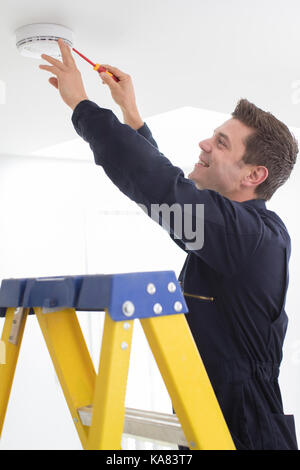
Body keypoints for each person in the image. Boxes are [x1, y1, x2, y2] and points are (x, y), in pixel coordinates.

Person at [39, 38, 298, 450]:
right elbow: (174, 203)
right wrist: (134, 118)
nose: (204, 144)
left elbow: (164, 190)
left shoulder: (250, 238)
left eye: (222, 143)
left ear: (254, 175)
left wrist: (83, 106)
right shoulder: (230, 235)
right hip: (207, 421)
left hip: (244, 433)